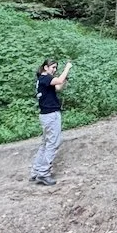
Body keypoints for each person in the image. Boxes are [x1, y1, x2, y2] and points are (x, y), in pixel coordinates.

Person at [31, 58, 71, 186]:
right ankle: (43, 173)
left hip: (46, 115)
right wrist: (67, 68)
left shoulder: (43, 80)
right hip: (50, 115)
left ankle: (36, 171)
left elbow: (58, 86)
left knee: (45, 144)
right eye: (52, 67)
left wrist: (65, 79)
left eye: (55, 68)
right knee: (53, 143)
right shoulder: (45, 78)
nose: (54, 70)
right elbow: (58, 80)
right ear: (45, 68)